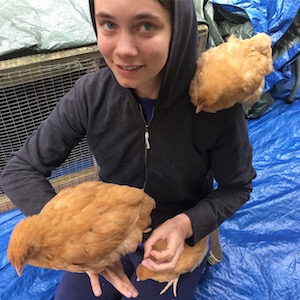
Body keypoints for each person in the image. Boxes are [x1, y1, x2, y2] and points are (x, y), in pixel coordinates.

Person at [0, 0, 256, 299]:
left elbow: (236, 187)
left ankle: (204, 244)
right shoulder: (91, 94)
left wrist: (188, 224)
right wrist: (75, 234)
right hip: (106, 227)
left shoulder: (214, 104)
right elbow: (19, 171)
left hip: (176, 233)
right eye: (109, 24)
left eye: (146, 26)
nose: (123, 49)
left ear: (180, 28)